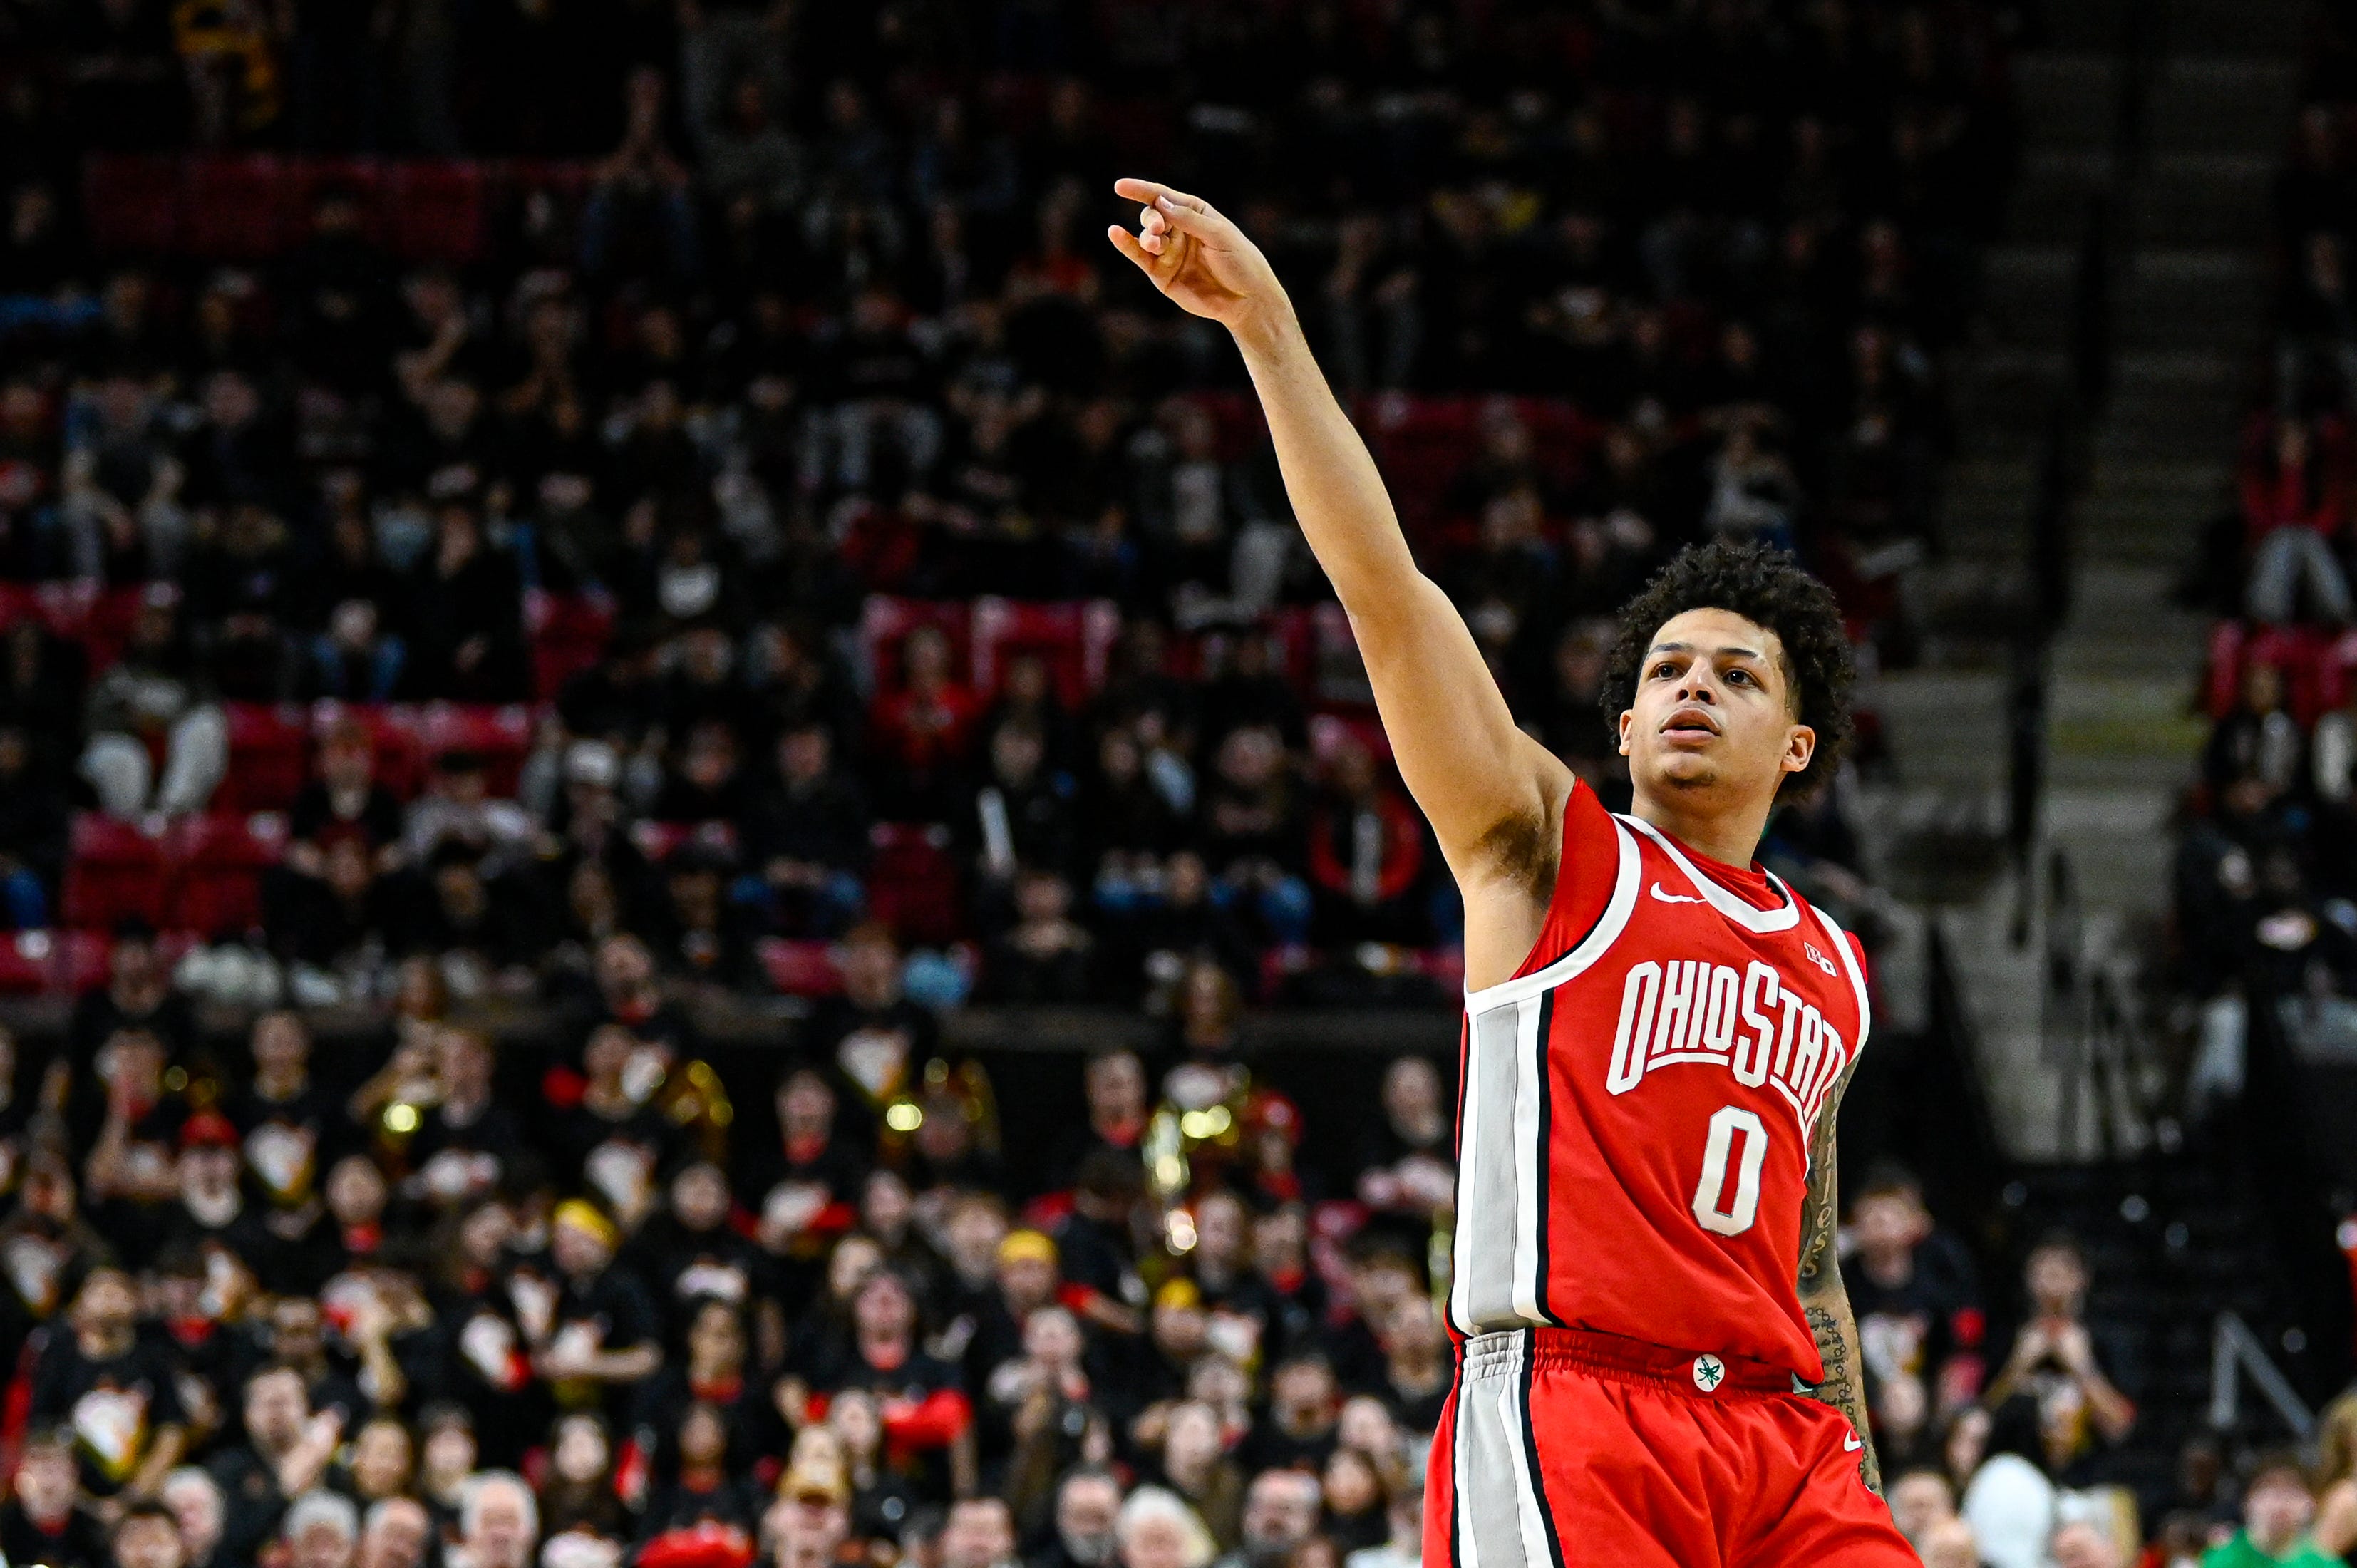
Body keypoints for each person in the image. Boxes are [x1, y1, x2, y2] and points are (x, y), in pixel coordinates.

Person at [1110, 181, 1906, 1562]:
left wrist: (1861, 1472)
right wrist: (1268, 330)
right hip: (1578, 1401)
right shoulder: (1545, 845)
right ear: (1623, 726)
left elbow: (1811, 1263)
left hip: (1786, 1443)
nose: (1691, 687)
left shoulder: (1829, 961)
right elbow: (1387, 595)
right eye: (1665, 670)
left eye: (1735, 674)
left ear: (1798, 745)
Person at [2204, 1458, 2341, 1567]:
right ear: (2247, 1502)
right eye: (2269, 1490)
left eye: (2292, 1491)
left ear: (2311, 1503)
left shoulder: (2325, 1564)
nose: (2280, 1502)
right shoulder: (2223, 1558)